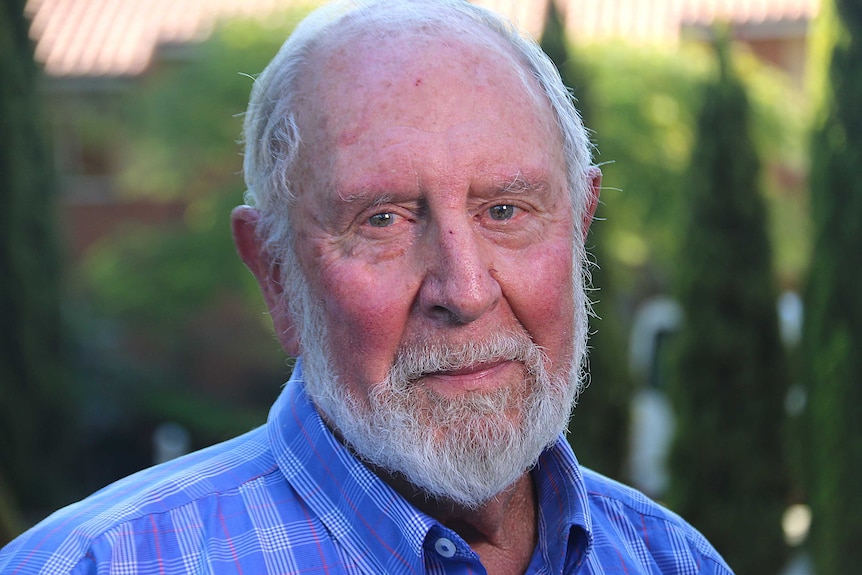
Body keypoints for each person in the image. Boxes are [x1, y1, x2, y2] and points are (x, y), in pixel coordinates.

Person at [0, 1, 733, 573]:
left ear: (579, 228)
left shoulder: (674, 560)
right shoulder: (94, 564)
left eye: (504, 210)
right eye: (381, 220)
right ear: (276, 274)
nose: (465, 288)